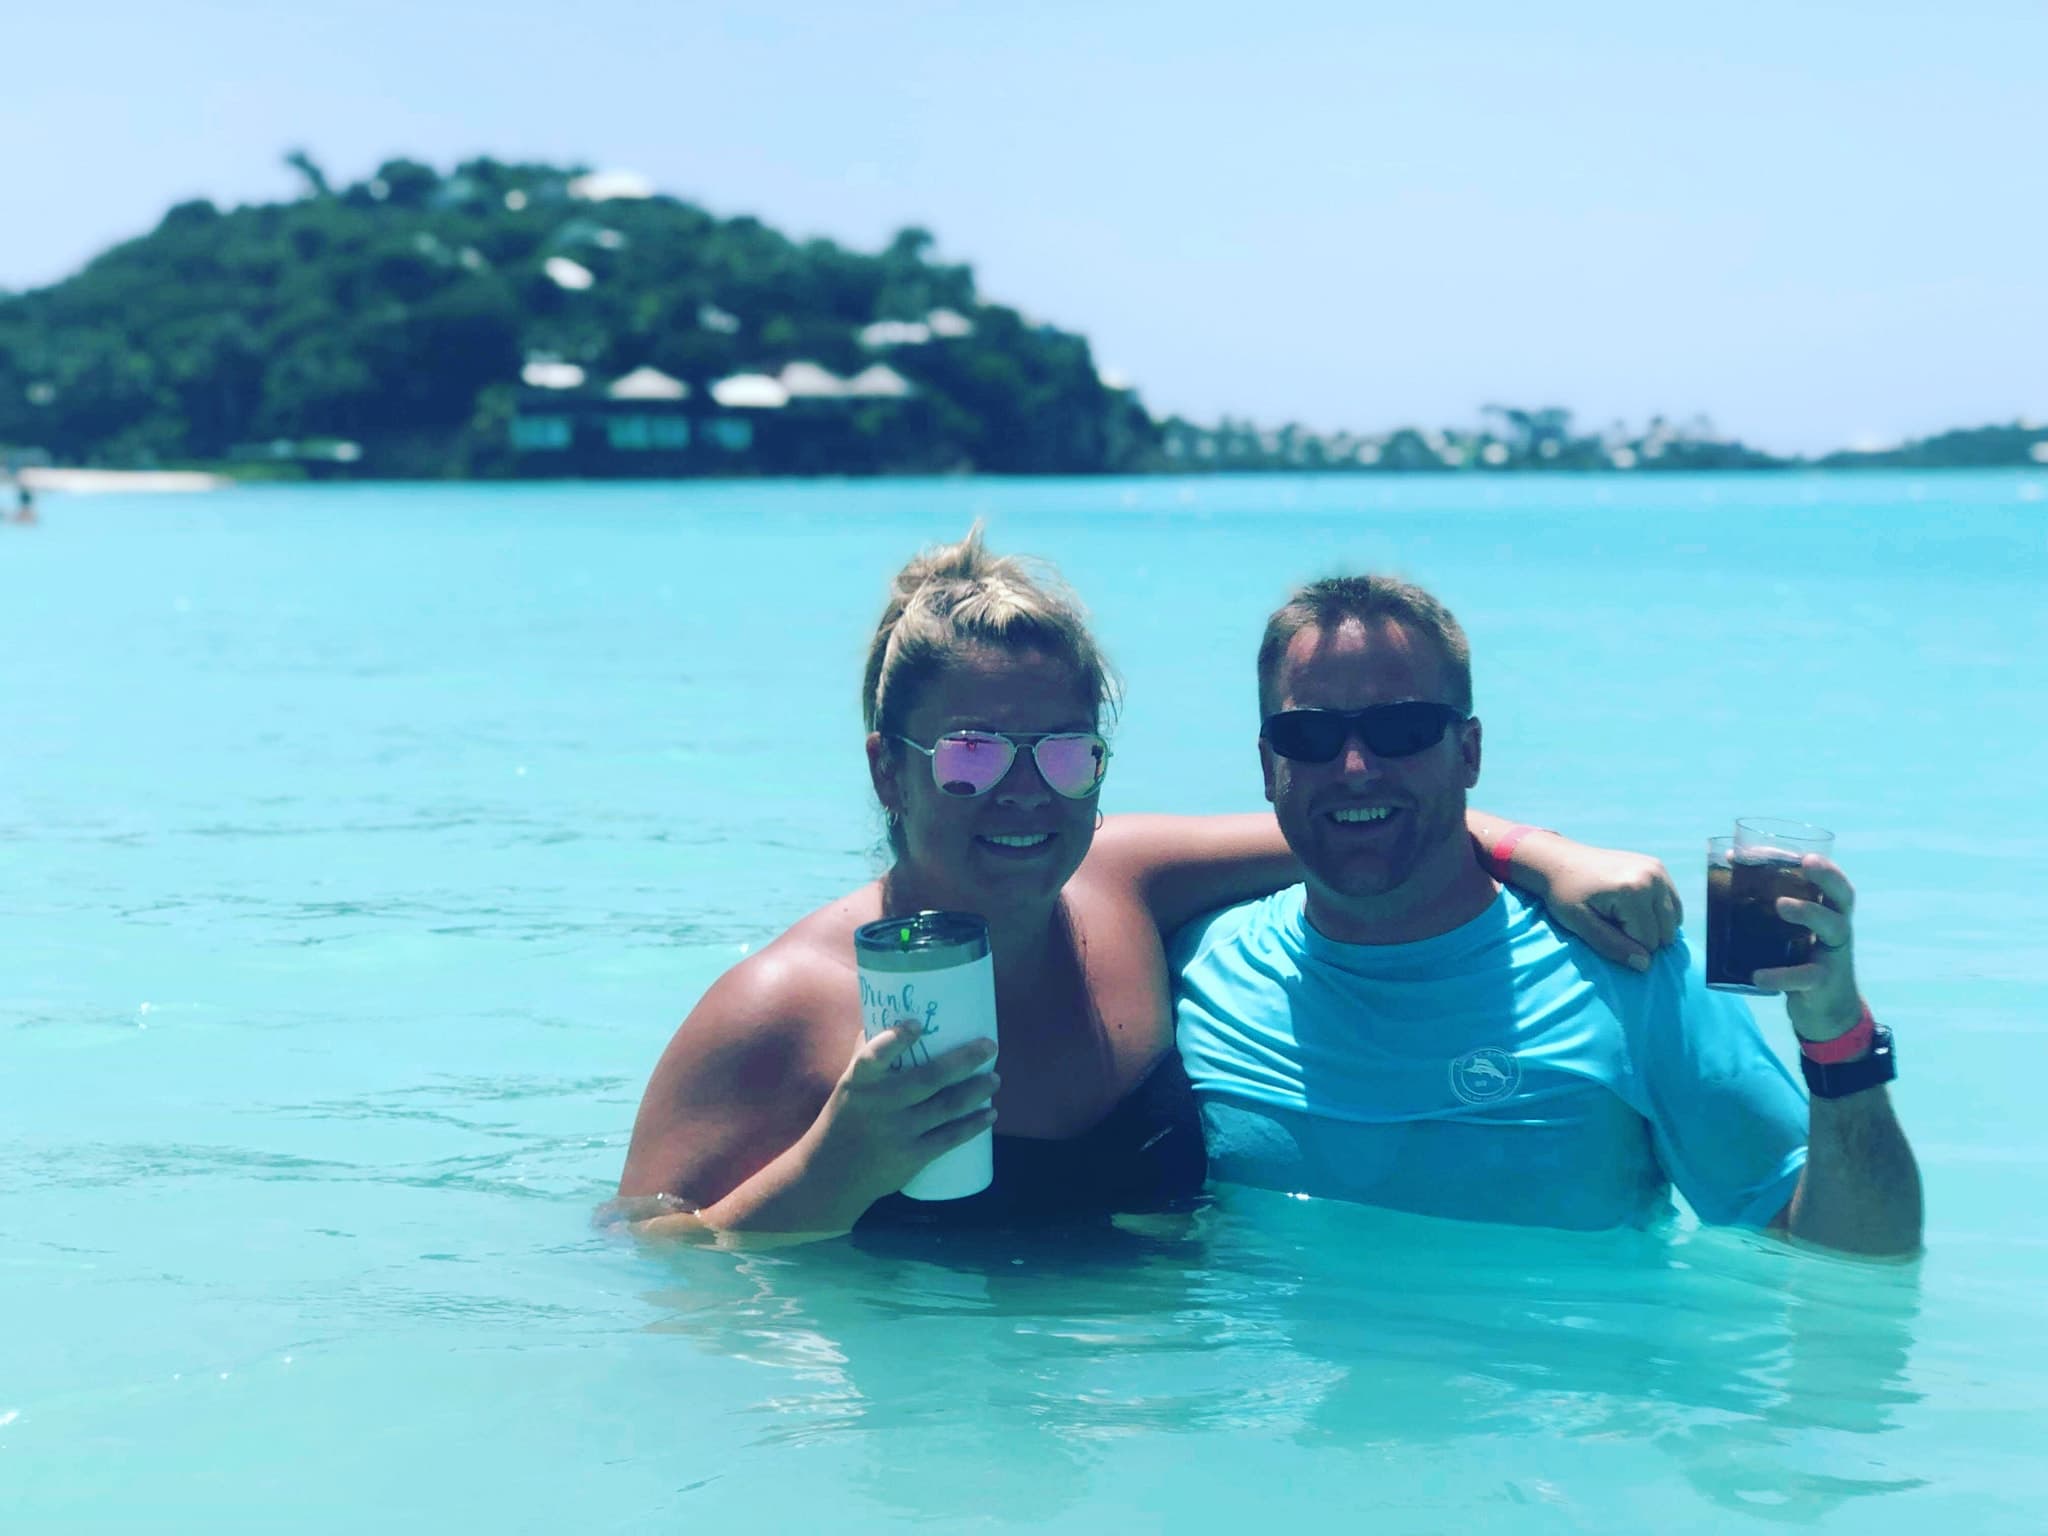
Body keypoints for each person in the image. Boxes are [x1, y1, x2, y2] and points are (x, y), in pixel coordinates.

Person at [617, 531, 1684, 1240]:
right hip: (937, 1456)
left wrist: (1546, 856)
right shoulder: (783, 1004)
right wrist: (829, 1173)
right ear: (886, 768)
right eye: (973, 756)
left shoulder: (1123, 883)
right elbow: (639, 1272)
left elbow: (1351, 816)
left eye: (1064, 752)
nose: (1024, 795)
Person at [1173, 575, 1923, 1256]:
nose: (1356, 768)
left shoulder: (1631, 969)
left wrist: (1838, 1037)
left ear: (1468, 752)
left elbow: (1855, 1256)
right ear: (1270, 766)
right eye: (1311, 737)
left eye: (1401, 730)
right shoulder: (1195, 975)